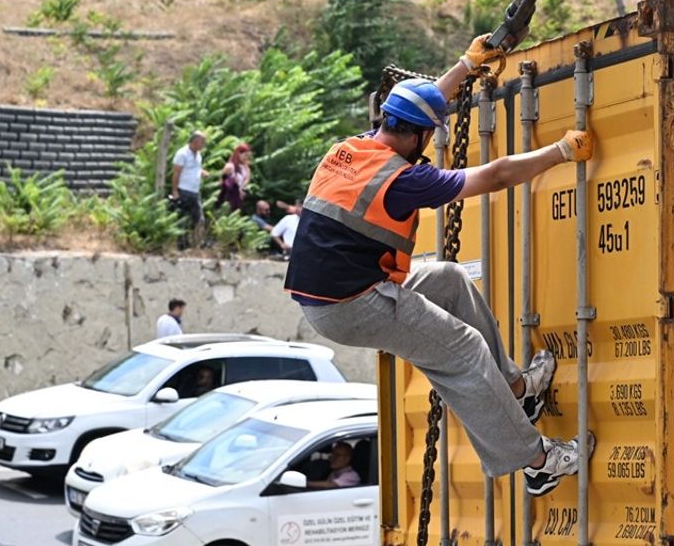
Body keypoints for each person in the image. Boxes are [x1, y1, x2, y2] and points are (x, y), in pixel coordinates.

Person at [284, 34, 595, 497]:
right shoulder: (404, 180)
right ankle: (537, 461)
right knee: (463, 350)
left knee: (449, 280)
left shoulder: (351, 149)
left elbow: (419, 107)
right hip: (353, 304)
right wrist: (561, 152)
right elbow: (495, 174)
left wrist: (466, 66)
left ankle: (514, 389)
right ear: (422, 136)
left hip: (333, 296)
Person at [171, 131, 209, 246]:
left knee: (199, 218)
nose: (203, 145)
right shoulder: (182, 154)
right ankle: (181, 243)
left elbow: (195, 168)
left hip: (195, 191)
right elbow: (176, 173)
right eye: (202, 142)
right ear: (195, 141)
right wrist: (175, 191)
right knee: (182, 219)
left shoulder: (198, 155)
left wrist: (202, 172)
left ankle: (198, 242)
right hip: (184, 190)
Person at [217, 143, 252, 211]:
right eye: (245, 155)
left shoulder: (246, 167)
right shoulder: (230, 166)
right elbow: (222, 181)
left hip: (239, 196)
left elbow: (247, 179)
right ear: (238, 154)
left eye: (248, 156)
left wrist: (240, 189)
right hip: (229, 195)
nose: (246, 158)